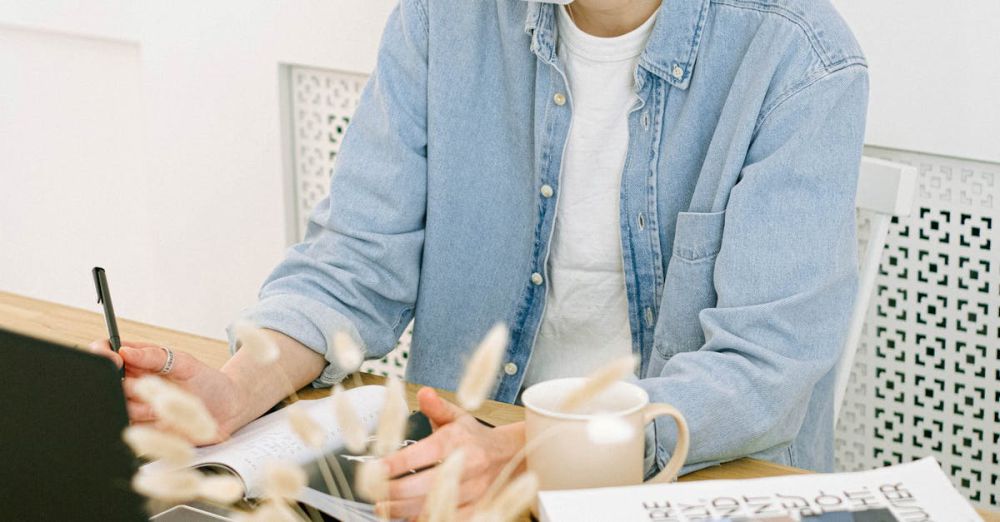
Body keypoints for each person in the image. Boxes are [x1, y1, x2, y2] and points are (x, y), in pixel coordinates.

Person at [91, 0, 868, 518]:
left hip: (680, 486)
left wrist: (535, 453)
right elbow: (356, 261)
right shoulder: (443, 17)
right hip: (457, 481)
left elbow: (763, 371)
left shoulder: (799, 58)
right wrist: (236, 389)